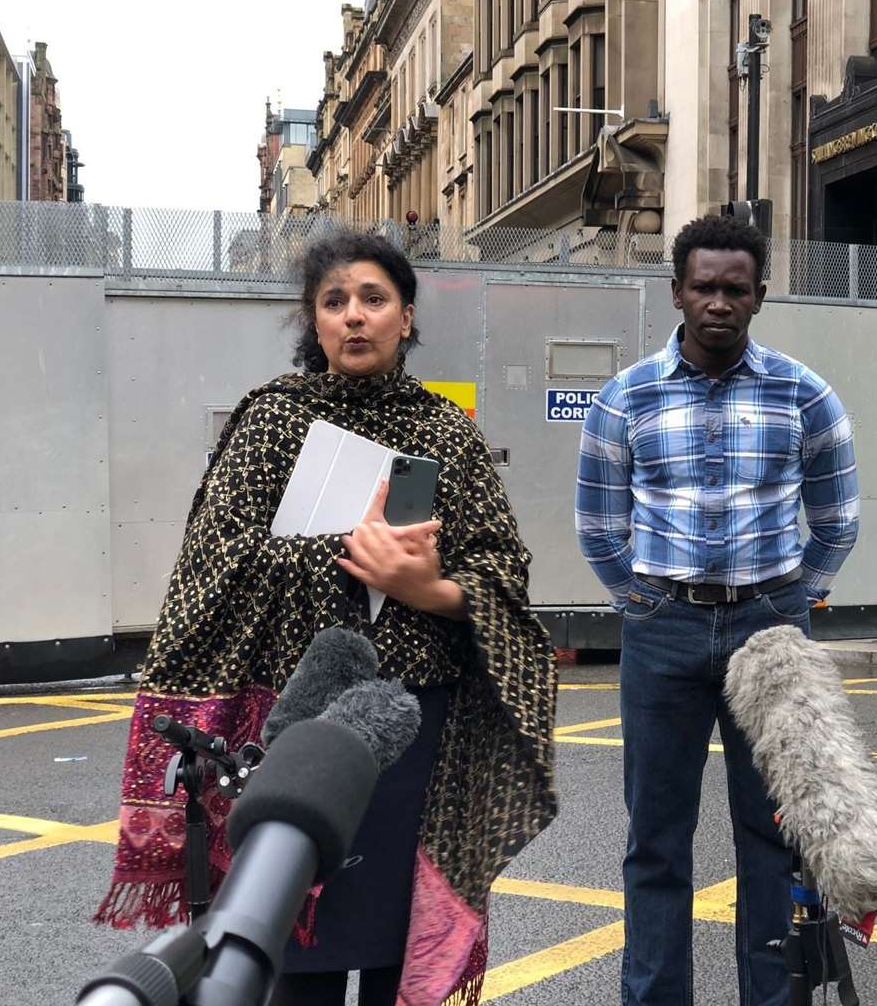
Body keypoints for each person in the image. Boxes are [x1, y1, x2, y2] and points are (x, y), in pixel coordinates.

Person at [97, 231, 557, 1006]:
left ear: (406, 318)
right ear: (313, 323)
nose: (354, 317)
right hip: (297, 727)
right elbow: (214, 565)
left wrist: (426, 589)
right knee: (292, 960)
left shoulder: (449, 435)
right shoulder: (274, 420)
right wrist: (349, 550)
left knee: (392, 956)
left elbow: (503, 574)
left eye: (373, 300)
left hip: (417, 734)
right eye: (334, 302)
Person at [575, 215, 861, 1006]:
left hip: (769, 629)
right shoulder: (626, 397)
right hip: (660, 629)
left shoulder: (804, 394)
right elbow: (598, 526)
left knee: (774, 836)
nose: (718, 303)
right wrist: (641, 601)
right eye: (703, 287)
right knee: (656, 842)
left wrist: (791, 598)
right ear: (677, 291)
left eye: (736, 289)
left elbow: (837, 518)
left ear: (759, 295)